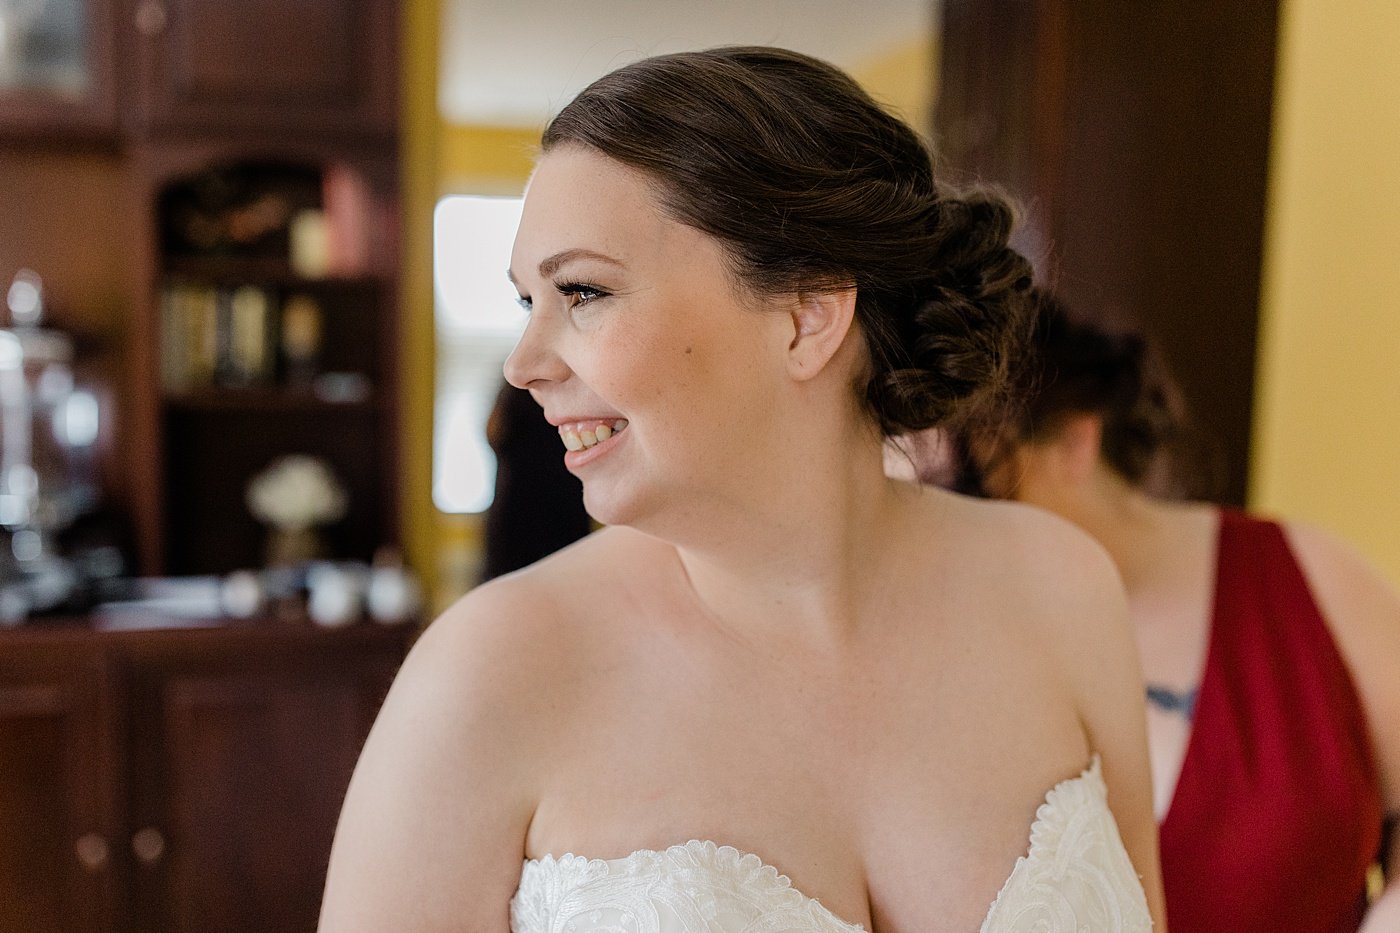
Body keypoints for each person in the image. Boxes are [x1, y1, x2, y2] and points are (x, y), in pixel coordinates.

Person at [319, 47, 1166, 932]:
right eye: (527, 303)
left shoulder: (1063, 588)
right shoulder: (484, 677)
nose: (523, 364)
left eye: (583, 291)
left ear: (807, 315)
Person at [939, 290, 1400, 932]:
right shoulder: (951, 644)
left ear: (1076, 441)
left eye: (981, 476)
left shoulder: (1311, 580)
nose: (962, 518)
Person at [480, 380, 592, 582]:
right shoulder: (516, 385)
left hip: (553, 500)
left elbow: (493, 433)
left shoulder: (520, 389)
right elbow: (494, 432)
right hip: (527, 503)